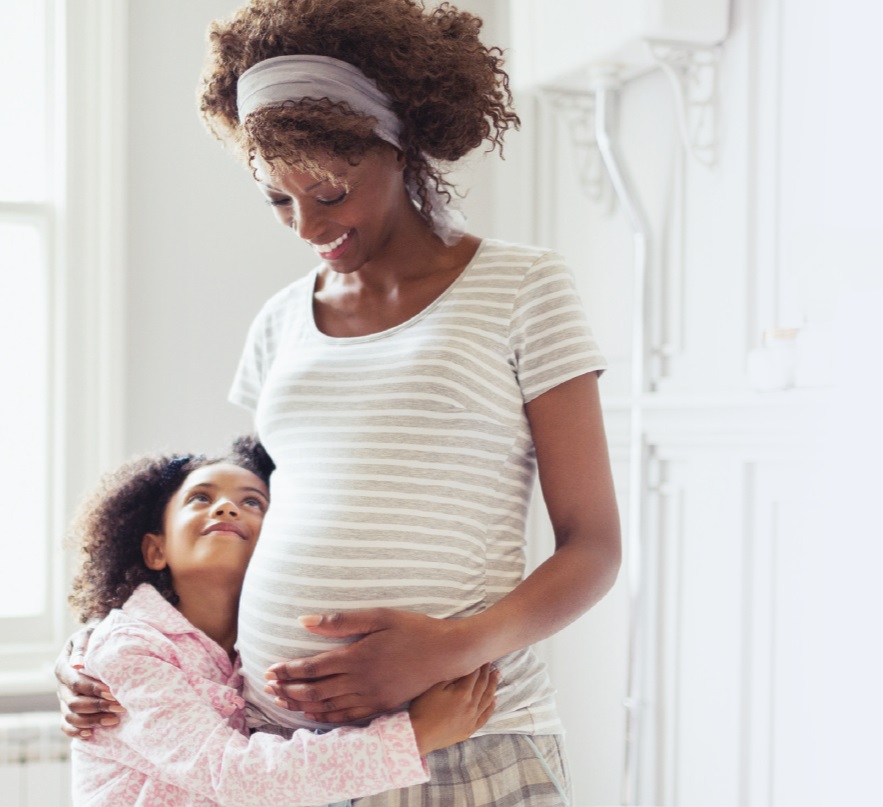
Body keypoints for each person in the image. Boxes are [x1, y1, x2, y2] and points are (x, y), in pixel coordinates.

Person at [59, 1, 622, 805]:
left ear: (398, 145)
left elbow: (593, 548)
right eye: (278, 201)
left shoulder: (523, 287)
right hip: (283, 754)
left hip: (460, 740)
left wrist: (445, 649)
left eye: (327, 192)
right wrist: (97, 655)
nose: (306, 226)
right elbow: (248, 530)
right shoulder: (281, 320)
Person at [67, 436, 498, 807]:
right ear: (155, 550)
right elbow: (236, 776)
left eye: (252, 502)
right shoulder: (129, 648)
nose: (226, 508)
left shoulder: (245, 657)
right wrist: (417, 734)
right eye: (201, 497)